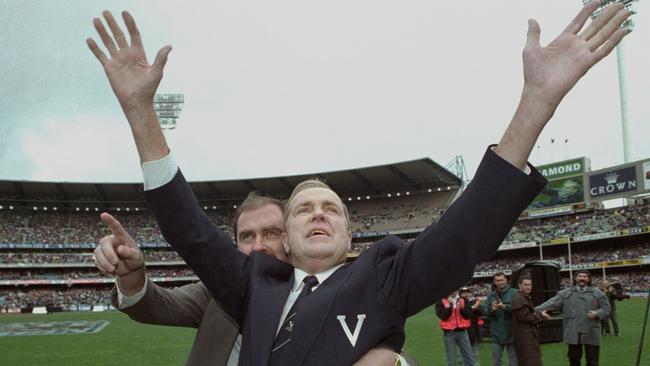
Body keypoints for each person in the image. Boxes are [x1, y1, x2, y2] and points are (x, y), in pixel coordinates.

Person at [86, 2, 630, 364]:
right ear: (287, 243)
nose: (317, 213)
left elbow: (468, 228)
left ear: (351, 239)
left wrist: (536, 102)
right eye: (303, 209)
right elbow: (189, 227)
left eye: (330, 208)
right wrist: (140, 111)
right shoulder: (250, 283)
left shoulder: (386, 277)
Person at [94, 192, 405, 366]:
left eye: (270, 233)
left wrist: (397, 362)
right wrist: (132, 275)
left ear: (290, 240)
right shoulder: (215, 295)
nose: (258, 246)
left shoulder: (333, 292)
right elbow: (157, 305)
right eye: (247, 237)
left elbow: (388, 354)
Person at [536, 271, 610, 366]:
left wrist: (598, 313)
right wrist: (535, 309)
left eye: (584, 276)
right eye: (579, 276)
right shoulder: (565, 293)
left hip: (591, 329)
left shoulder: (598, 293)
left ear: (588, 279)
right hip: (573, 330)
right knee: (574, 359)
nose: (582, 278)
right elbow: (550, 303)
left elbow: (606, 308)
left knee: (593, 361)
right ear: (575, 279)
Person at [511, 275, 550, 366]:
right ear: (519, 286)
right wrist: (541, 315)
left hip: (528, 335)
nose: (528, 287)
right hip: (524, 336)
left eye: (530, 284)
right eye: (525, 285)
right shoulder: (518, 299)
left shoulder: (524, 298)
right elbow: (526, 318)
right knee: (530, 361)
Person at [482, 272, 518, 366]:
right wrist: (492, 310)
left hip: (512, 332)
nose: (500, 282)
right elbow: (485, 312)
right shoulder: (491, 295)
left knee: (513, 360)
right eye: (497, 280)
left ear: (507, 280)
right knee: (497, 361)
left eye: (502, 280)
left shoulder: (515, 292)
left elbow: (519, 309)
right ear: (494, 282)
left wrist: (505, 306)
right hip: (496, 334)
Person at [436, 290, 476, 366]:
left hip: (463, 332)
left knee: (468, 356)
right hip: (449, 333)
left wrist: (461, 308)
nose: (454, 291)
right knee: (451, 357)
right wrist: (450, 306)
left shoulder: (463, 300)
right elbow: (443, 317)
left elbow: (469, 315)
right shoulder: (441, 302)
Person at [460, 287, 484, 366]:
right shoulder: (459, 303)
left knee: (475, 353)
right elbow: (465, 314)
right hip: (463, 331)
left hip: (474, 331)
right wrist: (473, 307)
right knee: (464, 354)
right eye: (464, 293)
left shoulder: (473, 301)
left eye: (467, 292)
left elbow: (482, 312)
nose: (466, 294)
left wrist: (475, 307)